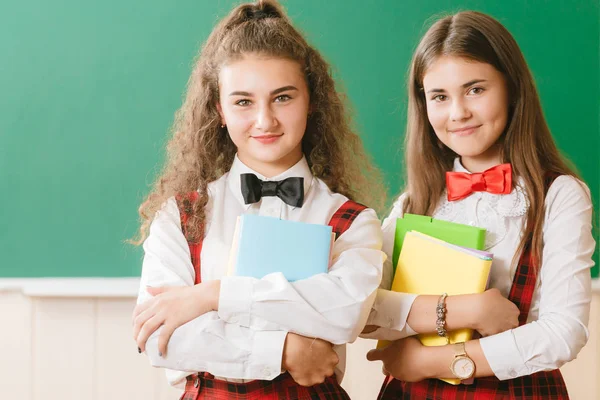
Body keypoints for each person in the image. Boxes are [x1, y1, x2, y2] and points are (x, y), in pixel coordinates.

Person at [130, 1, 386, 398]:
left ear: (312, 100)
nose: (265, 121)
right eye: (243, 102)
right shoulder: (180, 216)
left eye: (283, 98)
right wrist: (285, 349)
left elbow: (345, 314)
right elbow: (163, 336)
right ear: (219, 110)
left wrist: (213, 295)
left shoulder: (351, 220)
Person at [364, 11, 595, 399]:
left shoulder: (558, 194)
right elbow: (366, 306)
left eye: (475, 90)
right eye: (439, 96)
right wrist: (467, 311)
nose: (458, 113)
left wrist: (430, 361)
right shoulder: (413, 201)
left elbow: (562, 332)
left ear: (512, 88)